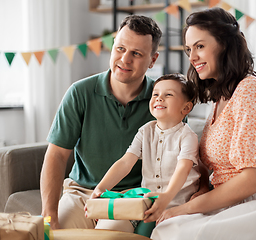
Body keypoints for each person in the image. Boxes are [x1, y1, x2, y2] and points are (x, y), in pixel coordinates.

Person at [151, 7, 256, 240]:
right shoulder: (223, 95)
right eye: (188, 49)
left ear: (224, 44)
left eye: (200, 46)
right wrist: (204, 187)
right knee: (167, 228)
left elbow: (253, 181)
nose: (192, 57)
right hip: (230, 201)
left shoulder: (250, 90)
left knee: (173, 230)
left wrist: (184, 209)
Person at [40, 14, 162, 230]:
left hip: (130, 197)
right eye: (121, 49)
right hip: (80, 193)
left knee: (108, 234)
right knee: (58, 232)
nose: (125, 59)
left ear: (152, 60)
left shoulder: (164, 99)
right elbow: (57, 155)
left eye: (136, 53)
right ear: (112, 47)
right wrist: (49, 214)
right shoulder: (79, 92)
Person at [85, 73, 201, 232]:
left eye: (168, 95)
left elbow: (183, 168)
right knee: (107, 230)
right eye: (156, 94)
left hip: (176, 205)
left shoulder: (187, 136)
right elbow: (125, 162)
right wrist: (101, 188)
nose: (159, 98)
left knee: (149, 231)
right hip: (145, 201)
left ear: (186, 107)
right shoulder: (145, 131)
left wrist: (166, 196)